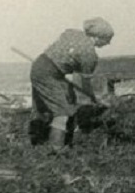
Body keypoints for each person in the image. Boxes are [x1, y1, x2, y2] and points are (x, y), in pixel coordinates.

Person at [30, 17, 114, 149]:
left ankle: (42, 141)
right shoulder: (89, 55)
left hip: (41, 64)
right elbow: (85, 83)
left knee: (66, 99)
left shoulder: (73, 33)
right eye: (107, 40)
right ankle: (55, 151)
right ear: (98, 37)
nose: (108, 44)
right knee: (62, 113)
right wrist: (93, 98)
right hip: (48, 74)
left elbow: (61, 51)